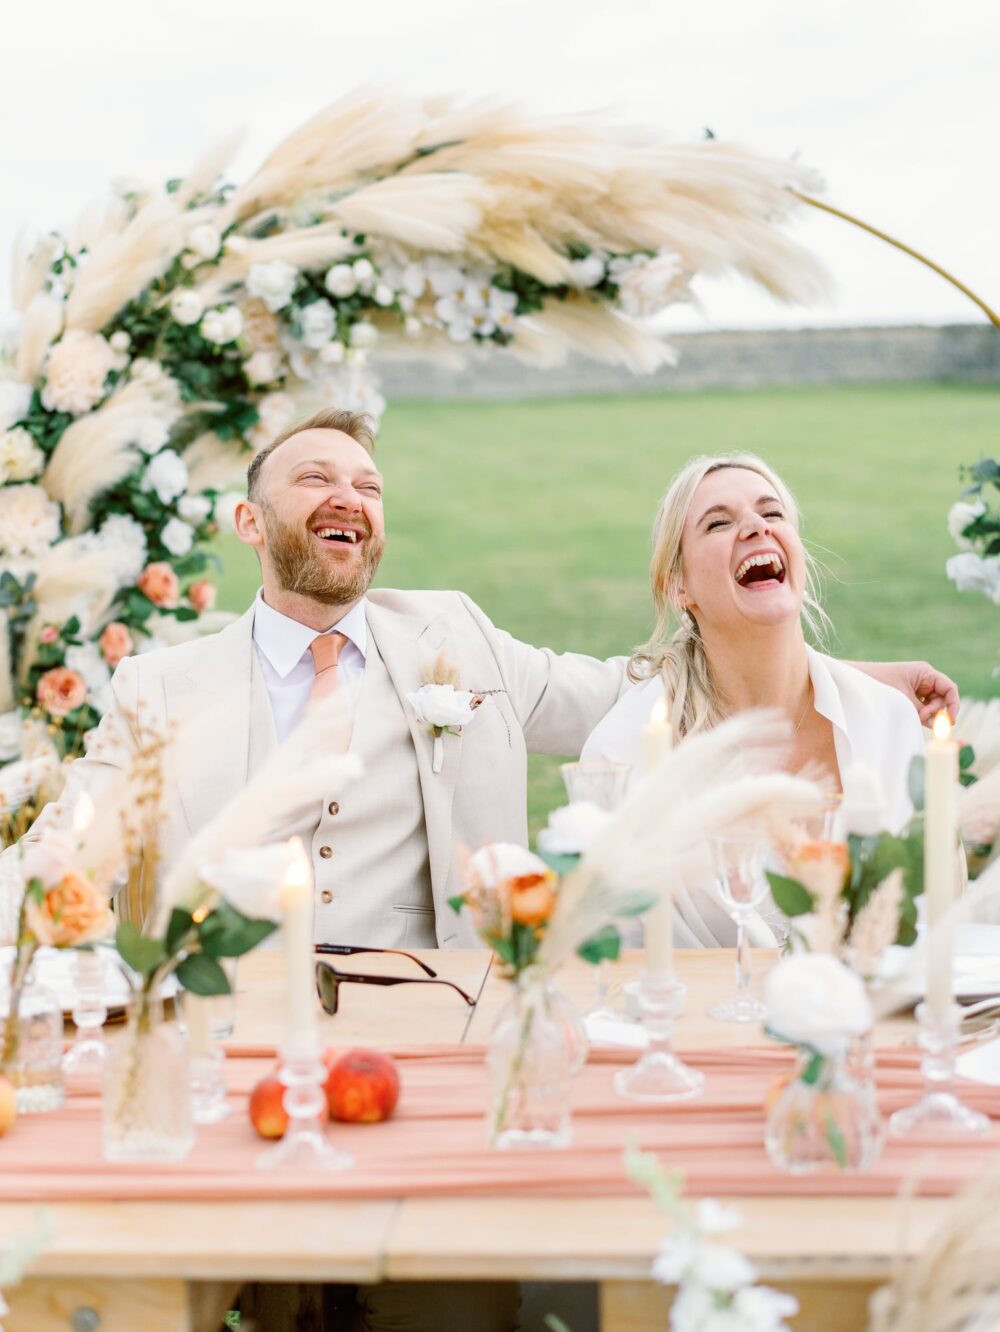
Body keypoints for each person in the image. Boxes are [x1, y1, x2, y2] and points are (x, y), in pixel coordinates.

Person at [582, 451, 933, 946]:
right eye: (718, 523)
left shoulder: (889, 721)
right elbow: (618, 959)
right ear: (677, 584)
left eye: (772, 513)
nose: (755, 526)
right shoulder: (621, 755)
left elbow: (926, 924)